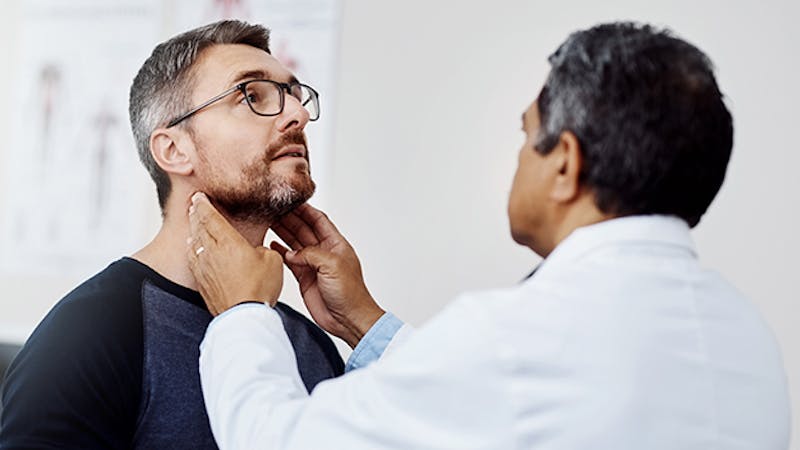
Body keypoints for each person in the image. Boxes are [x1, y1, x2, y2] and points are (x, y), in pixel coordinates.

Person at [188, 22, 792, 449]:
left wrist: (243, 313)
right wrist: (366, 324)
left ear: (565, 164)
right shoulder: (749, 339)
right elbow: (506, 405)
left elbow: (279, 439)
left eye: (527, 136)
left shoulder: (520, 339)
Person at [0, 20, 346, 449]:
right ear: (174, 150)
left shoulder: (310, 345)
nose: (298, 114)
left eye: (294, 95)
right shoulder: (87, 334)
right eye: (251, 96)